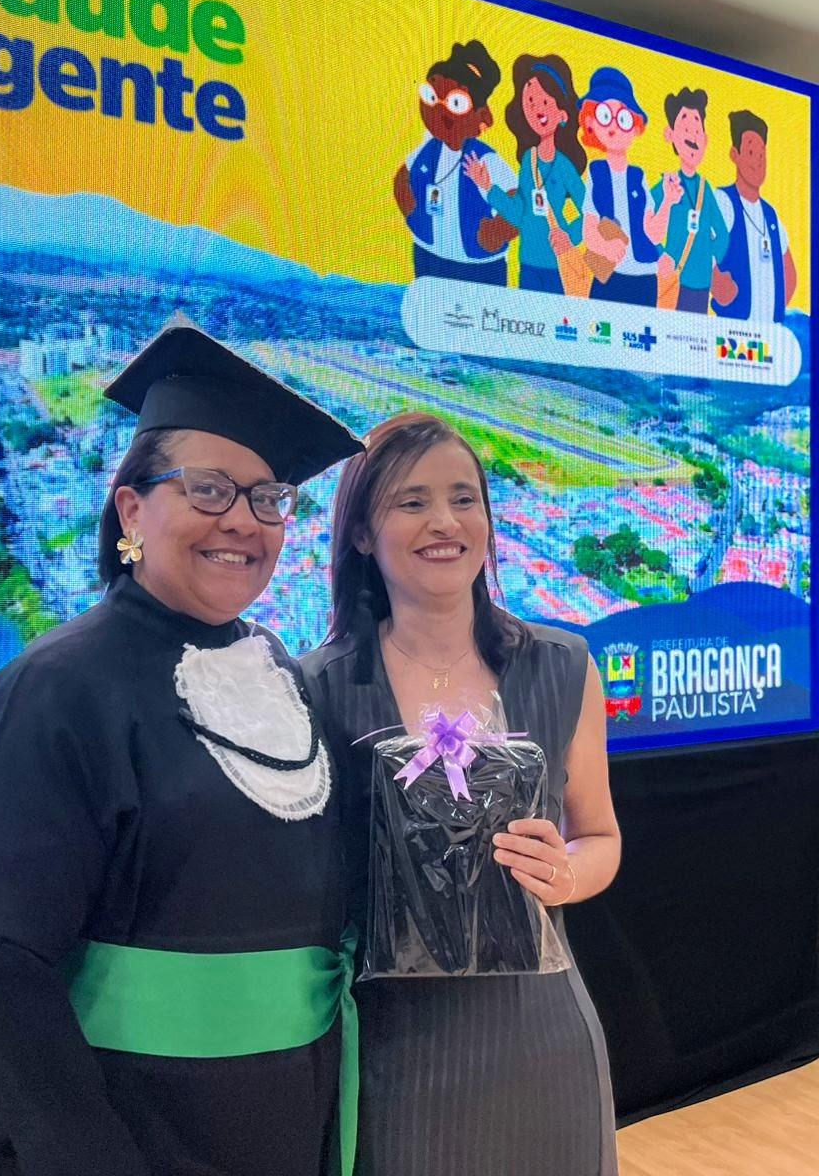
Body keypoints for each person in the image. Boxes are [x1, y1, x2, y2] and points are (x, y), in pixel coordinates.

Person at [0, 316, 364, 1176]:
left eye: (268, 498)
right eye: (209, 490)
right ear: (132, 507)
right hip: (124, 1131)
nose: (243, 521)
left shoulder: (278, 670)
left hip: (278, 1125)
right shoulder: (56, 688)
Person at [301, 411, 622, 1176]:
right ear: (360, 534)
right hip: (396, 1046)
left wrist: (567, 873)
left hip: (543, 1035)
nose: (444, 522)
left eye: (463, 498)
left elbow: (601, 837)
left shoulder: (564, 666)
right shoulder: (318, 688)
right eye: (412, 502)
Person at [395, 40, 515, 287]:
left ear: (482, 117)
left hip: (479, 267)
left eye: (456, 103)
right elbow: (403, 177)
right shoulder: (427, 151)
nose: (439, 110)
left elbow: (517, 203)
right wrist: (412, 212)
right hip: (429, 256)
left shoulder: (484, 159)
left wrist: (495, 233)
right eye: (431, 96)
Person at [467, 53, 587, 295]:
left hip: (558, 264)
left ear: (563, 115)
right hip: (528, 263)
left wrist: (570, 237)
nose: (536, 108)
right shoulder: (527, 161)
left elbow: (590, 213)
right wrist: (488, 188)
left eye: (545, 101)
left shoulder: (564, 166)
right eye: (529, 100)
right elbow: (519, 214)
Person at [579, 66, 657, 307]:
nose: (613, 127)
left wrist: (668, 202)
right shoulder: (596, 173)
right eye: (605, 116)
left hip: (644, 275)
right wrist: (604, 246)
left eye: (622, 119)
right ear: (591, 122)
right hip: (608, 274)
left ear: (635, 126)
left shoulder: (639, 177)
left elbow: (653, 232)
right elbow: (589, 229)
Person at [711, 109, 797, 323]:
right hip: (733, 331)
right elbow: (700, 249)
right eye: (750, 152)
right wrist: (717, 282)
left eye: (762, 155)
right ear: (735, 155)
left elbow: (790, 272)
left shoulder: (770, 214)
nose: (758, 162)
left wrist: (773, 311)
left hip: (768, 333)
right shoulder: (723, 200)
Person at [651, 87, 732, 314]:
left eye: (697, 130)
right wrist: (661, 254)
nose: (693, 137)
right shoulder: (668, 183)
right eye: (686, 129)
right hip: (673, 279)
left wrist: (709, 257)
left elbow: (722, 234)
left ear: (705, 140)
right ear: (670, 135)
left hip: (701, 284)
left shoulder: (706, 189)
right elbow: (644, 225)